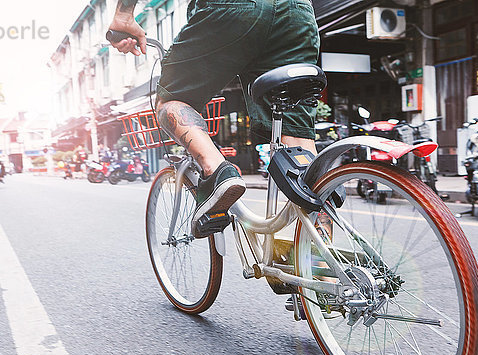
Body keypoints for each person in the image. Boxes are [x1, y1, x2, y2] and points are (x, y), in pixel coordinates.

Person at [108, 0, 319, 233]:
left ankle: (216, 170)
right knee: (299, 142)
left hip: (236, 8)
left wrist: (124, 14)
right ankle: (321, 255)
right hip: (297, 11)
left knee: (171, 101)